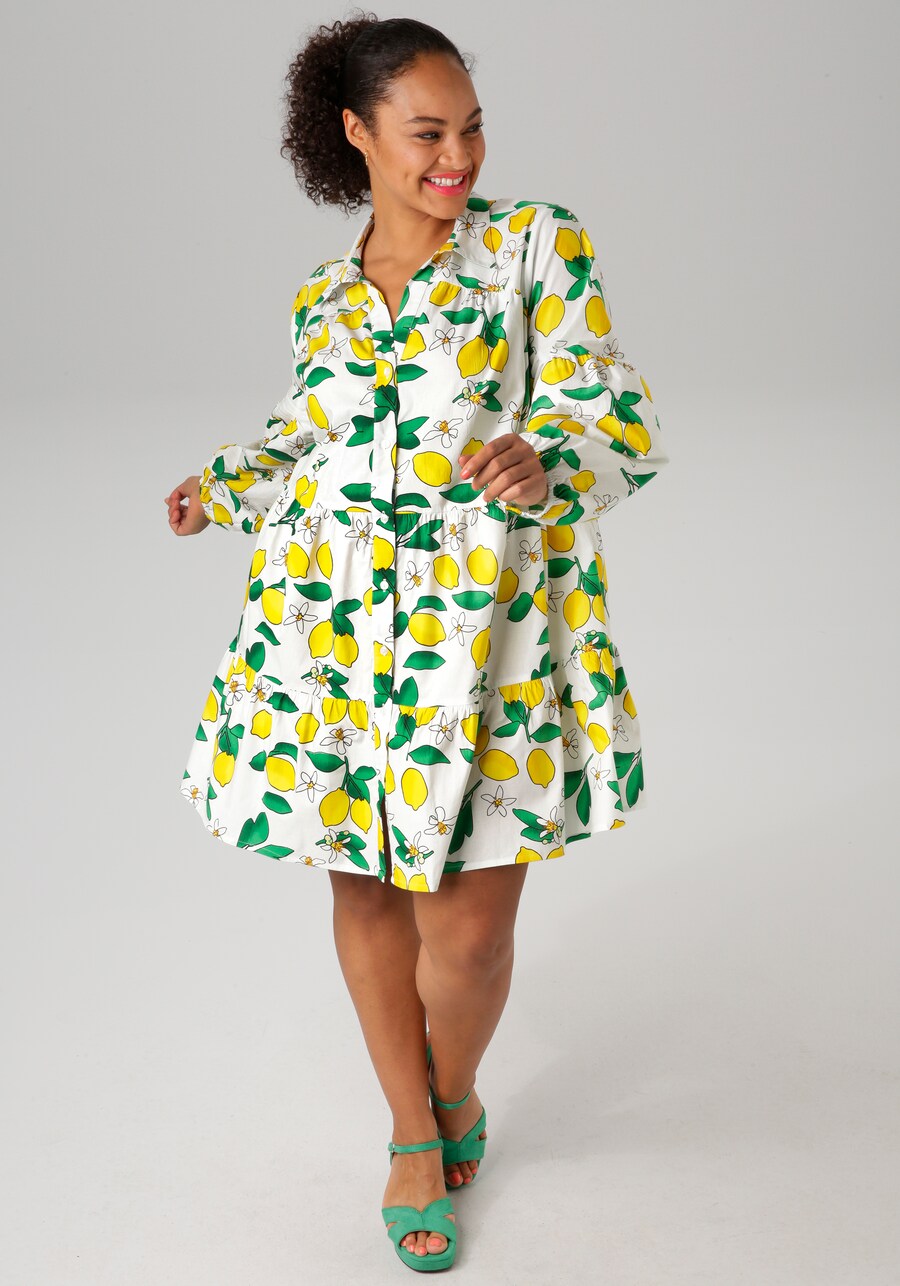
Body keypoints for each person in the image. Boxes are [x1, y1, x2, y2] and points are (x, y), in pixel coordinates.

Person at [164, 11, 668, 1272]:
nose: (460, 158)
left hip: (487, 636)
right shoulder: (323, 297)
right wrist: (221, 485)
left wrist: (549, 456)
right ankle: (410, 1131)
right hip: (333, 631)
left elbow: (611, 403)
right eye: (428, 133)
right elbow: (303, 433)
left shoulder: (535, 244)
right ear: (357, 133)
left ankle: (452, 1087)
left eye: (473, 129)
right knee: (366, 883)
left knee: (472, 931)